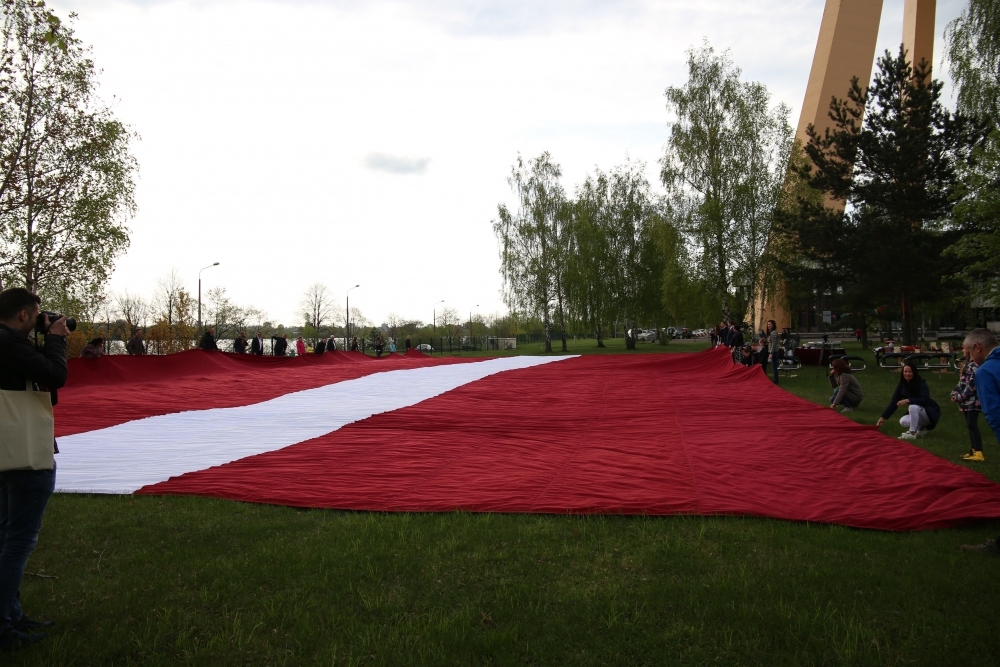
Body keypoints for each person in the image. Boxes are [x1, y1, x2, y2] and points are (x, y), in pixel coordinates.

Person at [0, 287, 69, 650]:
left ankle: (10, 613)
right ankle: (4, 624)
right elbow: (55, 377)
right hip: (23, 449)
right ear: (24, 316)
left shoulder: (10, 345)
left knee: (5, 535)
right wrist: (56, 340)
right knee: (18, 541)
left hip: (4, 447)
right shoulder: (11, 344)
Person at [960, 329, 1000, 553]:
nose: (970, 358)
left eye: (969, 352)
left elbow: (994, 412)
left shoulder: (985, 371)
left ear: (978, 347)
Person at [876, 361, 941, 440]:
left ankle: (912, 433)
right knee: (903, 421)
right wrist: (883, 417)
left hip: (928, 413)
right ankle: (922, 429)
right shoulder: (902, 385)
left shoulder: (921, 383)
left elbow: (925, 399)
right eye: (905, 371)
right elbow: (894, 402)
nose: (907, 374)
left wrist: (908, 400)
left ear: (914, 372)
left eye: (910, 372)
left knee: (912, 406)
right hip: (917, 413)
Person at [951, 343, 983, 461]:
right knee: (970, 426)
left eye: (964, 348)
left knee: (972, 425)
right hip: (965, 402)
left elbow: (971, 386)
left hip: (973, 403)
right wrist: (954, 393)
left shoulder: (974, 367)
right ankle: (974, 450)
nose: (962, 350)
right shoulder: (967, 366)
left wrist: (960, 396)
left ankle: (979, 452)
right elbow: (961, 383)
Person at [766, 320, 781, 384]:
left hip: (774, 352)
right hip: (773, 351)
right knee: (774, 366)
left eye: (770, 324)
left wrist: (771, 353)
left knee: (774, 367)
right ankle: (775, 379)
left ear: (773, 325)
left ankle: (776, 381)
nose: (769, 325)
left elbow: (774, 344)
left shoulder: (773, 333)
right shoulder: (771, 332)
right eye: (768, 324)